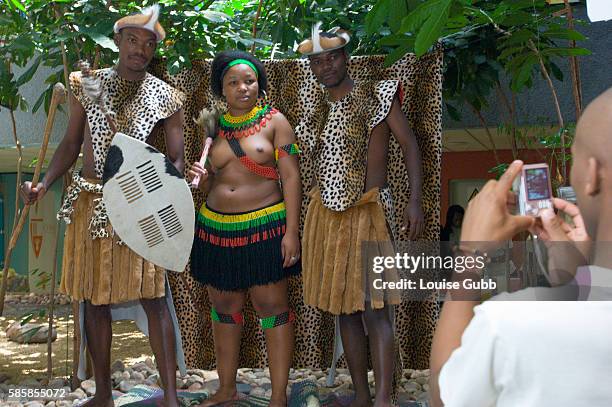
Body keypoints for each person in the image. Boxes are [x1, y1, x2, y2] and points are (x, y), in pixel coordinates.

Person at [20, 5, 186, 407]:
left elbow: (177, 159)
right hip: (91, 200)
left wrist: (169, 192)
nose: (140, 49)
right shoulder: (87, 85)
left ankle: (169, 396)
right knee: (94, 299)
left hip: (140, 203)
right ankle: (104, 396)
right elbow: (71, 143)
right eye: (132, 40)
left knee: (153, 296)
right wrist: (43, 183)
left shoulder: (167, 95)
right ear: (117, 42)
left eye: (148, 44)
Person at [429, 88, 612, 407]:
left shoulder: (511, 325)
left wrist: (469, 260)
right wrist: (579, 276)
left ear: (592, 175)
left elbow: (446, 395)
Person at [297, 23, 425, 407]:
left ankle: (384, 397)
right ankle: (362, 395)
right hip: (326, 217)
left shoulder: (378, 94)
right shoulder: (316, 109)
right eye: (317, 62)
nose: (325, 66)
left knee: (374, 309)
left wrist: (414, 201)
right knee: (344, 310)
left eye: (331, 57)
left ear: (345, 58)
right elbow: (295, 155)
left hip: (367, 211)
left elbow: (409, 145)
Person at [188, 50, 301, 407]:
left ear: (259, 83)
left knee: (272, 307)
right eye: (233, 82)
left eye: (249, 80)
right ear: (222, 88)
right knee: (224, 304)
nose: (242, 87)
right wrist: (202, 179)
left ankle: (279, 395)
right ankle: (226, 389)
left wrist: (292, 231)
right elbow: (209, 185)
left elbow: (291, 176)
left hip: (265, 226)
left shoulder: (276, 123)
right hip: (215, 228)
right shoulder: (213, 127)